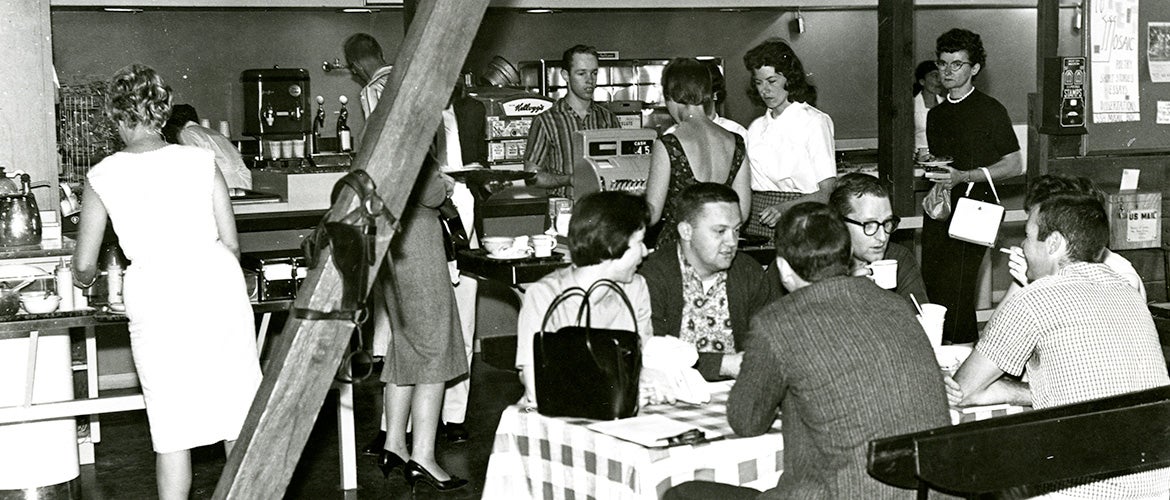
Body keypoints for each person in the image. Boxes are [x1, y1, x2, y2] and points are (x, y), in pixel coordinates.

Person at [665, 202, 949, 500]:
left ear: (784, 269)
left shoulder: (778, 323)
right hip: (926, 495)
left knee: (684, 494)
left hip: (838, 494)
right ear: (848, 258)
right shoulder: (896, 306)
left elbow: (746, 421)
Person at [72, 64, 262, 500]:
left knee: (172, 427)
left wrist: (85, 282)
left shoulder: (102, 175)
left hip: (156, 295)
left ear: (118, 116)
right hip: (217, 286)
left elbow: (84, 263)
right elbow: (231, 244)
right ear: (161, 113)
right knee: (237, 412)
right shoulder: (200, 160)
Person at [947, 193, 1169, 498]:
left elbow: (963, 389)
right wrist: (1020, 392)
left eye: (1027, 236)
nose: (1023, 247)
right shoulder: (1128, 292)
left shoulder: (1035, 298)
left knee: (980, 478)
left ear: (1053, 244)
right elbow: (1101, 389)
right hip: (1157, 486)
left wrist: (1002, 390)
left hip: (1082, 490)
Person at [345, 32, 469, 491]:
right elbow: (429, 189)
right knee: (435, 347)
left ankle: (394, 442)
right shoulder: (416, 120)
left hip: (388, 238)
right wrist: (448, 188)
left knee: (403, 342)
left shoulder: (379, 115)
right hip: (416, 237)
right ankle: (424, 455)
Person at [921, 28, 1023, 344]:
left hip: (975, 210)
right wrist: (933, 167)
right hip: (942, 209)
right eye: (942, 63)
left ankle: (964, 358)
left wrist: (963, 176)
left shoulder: (990, 110)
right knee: (934, 285)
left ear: (974, 68)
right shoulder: (935, 115)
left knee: (959, 291)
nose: (948, 71)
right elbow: (946, 162)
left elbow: (1014, 164)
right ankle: (944, 357)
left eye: (957, 64)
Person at [515, 191, 653, 407]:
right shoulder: (544, 296)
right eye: (640, 242)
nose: (645, 252)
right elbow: (536, 388)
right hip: (555, 419)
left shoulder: (636, 289)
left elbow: (645, 367)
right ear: (612, 244)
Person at [638, 183, 778, 381]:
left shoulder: (748, 272)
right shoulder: (653, 275)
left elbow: (769, 344)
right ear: (686, 231)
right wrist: (724, 365)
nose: (732, 241)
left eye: (736, 230)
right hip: (670, 393)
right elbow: (649, 355)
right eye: (720, 231)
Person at [645, 58, 750, 247]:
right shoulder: (735, 141)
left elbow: (652, 215)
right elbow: (742, 212)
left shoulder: (669, 144)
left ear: (671, 95)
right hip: (720, 248)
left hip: (677, 250)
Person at [997, 174, 1146, 304]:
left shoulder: (1121, 275)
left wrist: (1035, 285)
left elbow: (1081, 329)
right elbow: (996, 329)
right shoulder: (1036, 266)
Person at [742, 38, 837, 240]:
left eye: (772, 81)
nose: (764, 90)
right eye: (759, 83)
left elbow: (826, 192)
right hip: (757, 224)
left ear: (789, 79)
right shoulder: (756, 128)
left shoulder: (814, 121)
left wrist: (784, 208)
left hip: (800, 219)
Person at [523, 44, 621, 198]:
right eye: (581, 73)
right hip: (564, 212)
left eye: (594, 73)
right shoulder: (546, 121)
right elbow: (531, 176)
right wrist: (568, 179)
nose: (590, 80)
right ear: (565, 75)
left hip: (601, 211)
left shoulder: (608, 119)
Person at [829, 173, 927, 308]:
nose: (882, 237)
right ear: (839, 224)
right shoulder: (821, 264)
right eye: (869, 225)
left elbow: (917, 321)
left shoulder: (898, 258)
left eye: (887, 223)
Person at [162, 104, 252, 190]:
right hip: (243, 182)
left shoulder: (187, 133)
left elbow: (194, 165)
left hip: (220, 184)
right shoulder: (214, 133)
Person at [913, 60, 945, 157]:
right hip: (918, 159)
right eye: (934, 76)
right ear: (922, 81)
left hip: (942, 159)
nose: (939, 80)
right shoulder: (911, 106)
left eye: (941, 75)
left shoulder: (946, 104)